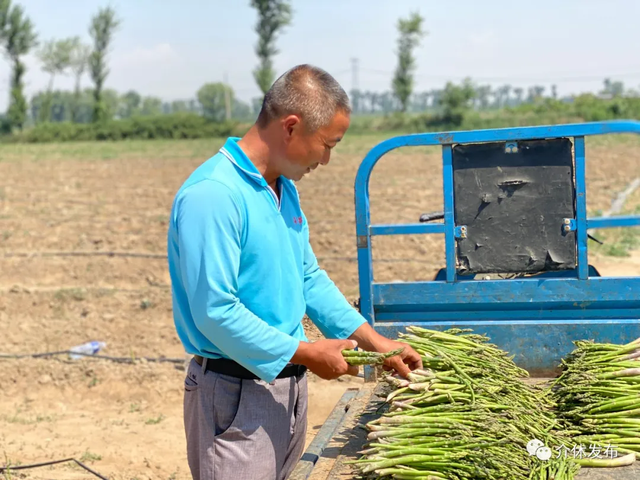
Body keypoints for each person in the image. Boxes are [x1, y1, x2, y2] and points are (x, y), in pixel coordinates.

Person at [167, 64, 423, 480]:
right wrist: (305, 352)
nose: (326, 159)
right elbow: (215, 312)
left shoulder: (282, 190)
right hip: (235, 397)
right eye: (327, 144)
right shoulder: (214, 195)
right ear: (291, 127)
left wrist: (376, 343)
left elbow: (308, 279)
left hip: (288, 388)